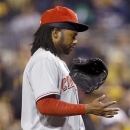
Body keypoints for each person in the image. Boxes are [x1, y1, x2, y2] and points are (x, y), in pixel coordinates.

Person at [21, 6, 119, 130]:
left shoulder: (54, 60)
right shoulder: (44, 59)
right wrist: (87, 108)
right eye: (72, 36)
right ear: (55, 33)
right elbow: (45, 105)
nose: (75, 41)